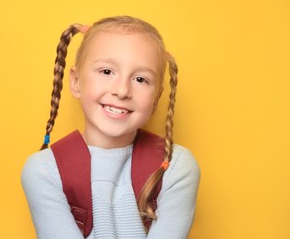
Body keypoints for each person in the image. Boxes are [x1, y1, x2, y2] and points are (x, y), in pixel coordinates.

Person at [21, 16, 200, 238]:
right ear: (76, 82)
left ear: (156, 98)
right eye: (107, 72)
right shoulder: (44, 171)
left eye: (140, 79)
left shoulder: (175, 166)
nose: (122, 90)